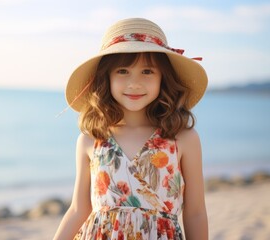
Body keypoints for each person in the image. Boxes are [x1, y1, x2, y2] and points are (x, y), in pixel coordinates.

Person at [53, 18, 208, 240]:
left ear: (163, 78)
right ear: (106, 78)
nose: (134, 83)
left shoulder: (183, 138)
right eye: (123, 71)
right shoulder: (91, 140)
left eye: (147, 71)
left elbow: (195, 213)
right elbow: (79, 208)